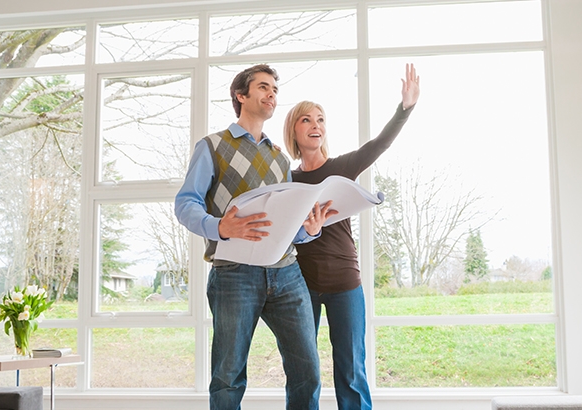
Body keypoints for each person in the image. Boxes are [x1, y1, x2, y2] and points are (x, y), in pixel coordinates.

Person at [174, 64, 335, 410]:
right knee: (228, 376)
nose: (272, 94)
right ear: (241, 95)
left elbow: (284, 221)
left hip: (287, 272)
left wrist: (308, 232)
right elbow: (185, 203)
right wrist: (219, 227)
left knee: (307, 369)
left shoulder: (279, 158)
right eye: (263, 87)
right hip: (234, 273)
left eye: (275, 89)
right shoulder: (212, 146)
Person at [282, 63, 420, 410]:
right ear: (294, 131)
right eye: (307, 120)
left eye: (321, 119)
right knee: (303, 371)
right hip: (302, 285)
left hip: (345, 281)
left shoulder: (342, 166)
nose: (316, 125)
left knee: (351, 371)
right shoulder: (285, 179)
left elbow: (379, 145)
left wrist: (405, 108)